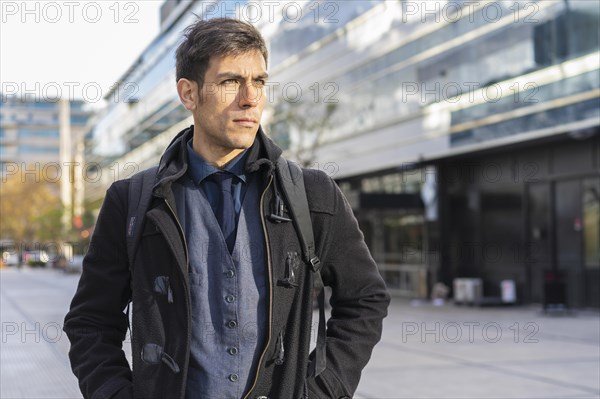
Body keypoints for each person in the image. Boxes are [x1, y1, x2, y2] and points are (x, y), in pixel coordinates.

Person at [64, 17, 390, 399]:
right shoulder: (133, 201)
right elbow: (90, 321)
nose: (250, 98)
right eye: (231, 82)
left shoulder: (313, 195)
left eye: (260, 82)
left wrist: (321, 390)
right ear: (189, 94)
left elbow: (366, 299)